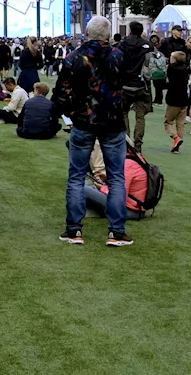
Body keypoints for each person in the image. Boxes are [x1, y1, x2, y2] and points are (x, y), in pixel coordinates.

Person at [53, 15, 132, 247]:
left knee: (77, 176)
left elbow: (61, 93)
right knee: (116, 177)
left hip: (84, 120)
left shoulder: (74, 57)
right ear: (107, 35)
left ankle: (74, 230)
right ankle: (117, 232)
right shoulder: (118, 56)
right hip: (112, 121)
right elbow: (126, 86)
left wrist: (70, 112)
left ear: (87, 33)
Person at [83, 141, 149, 221]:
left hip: (129, 210)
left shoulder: (127, 165)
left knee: (83, 189)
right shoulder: (135, 158)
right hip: (133, 207)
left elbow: (119, 195)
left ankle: (92, 211)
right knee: (89, 186)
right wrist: (106, 180)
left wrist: (103, 188)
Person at [117, 21, 153, 152]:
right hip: (142, 84)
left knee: (123, 113)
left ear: (130, 30)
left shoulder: (123, 44)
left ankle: (126, 143)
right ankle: (138, 144)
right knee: (140, 116)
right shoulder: (148, 46)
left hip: (125, 83)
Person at [163, 51, 191, 153]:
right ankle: (177, 147)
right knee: (180, 124)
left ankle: (175, 138)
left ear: (174, 59)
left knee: (168, 122)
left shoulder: (171, 68)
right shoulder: (185, 69)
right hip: (184, 99)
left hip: (173, 99)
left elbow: (167, 80)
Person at [146, 35, 169, 107]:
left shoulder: (154, 50)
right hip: (159, 69)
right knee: (157, 85)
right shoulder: (157, 50)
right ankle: (157, 99)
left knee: (158, 85)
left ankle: (158, 100)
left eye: (155, 38)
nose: (154, 40)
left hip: (157, 69)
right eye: (152, 38)